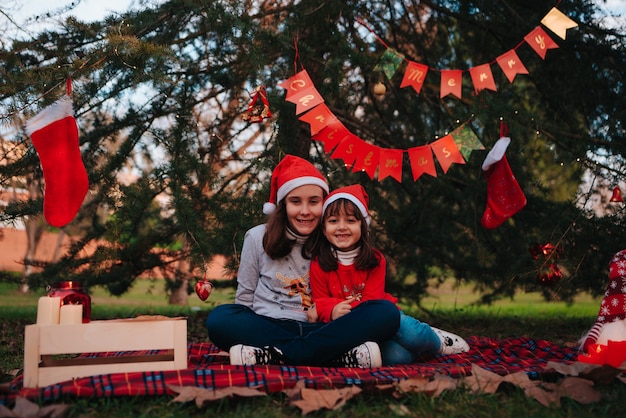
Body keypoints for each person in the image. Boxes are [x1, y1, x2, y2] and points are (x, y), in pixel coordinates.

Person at [205, 155, 400, 368]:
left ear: (323, 204)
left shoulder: (332, 235)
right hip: (269, 326)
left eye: (314, 202)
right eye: (295, 201)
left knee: (385, 312)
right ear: (282, 205)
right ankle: (331, 355)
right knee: (220, 318)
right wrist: (243, 331)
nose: (305, 211)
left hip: (324, 328)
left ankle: (278, 354)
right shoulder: (257, 237)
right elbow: (244, 299)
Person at [309, 184, 470, 365]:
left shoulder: (375, 259)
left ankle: (436, 340)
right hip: (351, 332)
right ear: (323, 228)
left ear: (363, 225)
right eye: (333, 221)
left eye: (350, 221)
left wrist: (343, 309)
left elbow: (374, 303)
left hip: (384, 321)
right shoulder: (319, 262)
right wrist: (331, 310)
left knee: (412, 334)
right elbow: (320, 301)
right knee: (397, 357)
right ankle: (421, 350)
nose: (341, 227)